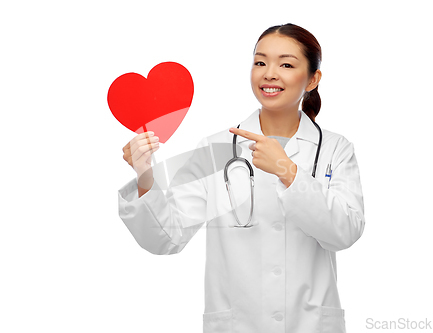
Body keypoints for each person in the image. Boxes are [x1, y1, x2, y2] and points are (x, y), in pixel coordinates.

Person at [119, 23, 365, 333]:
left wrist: (288, 172)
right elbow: (165, 238)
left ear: (313, 79)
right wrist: (145, 176)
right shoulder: (216, 148)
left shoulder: (334, 148)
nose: (269, 73)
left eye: (286, 64)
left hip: (310, 324)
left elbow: (345, 233)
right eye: (260, 62)